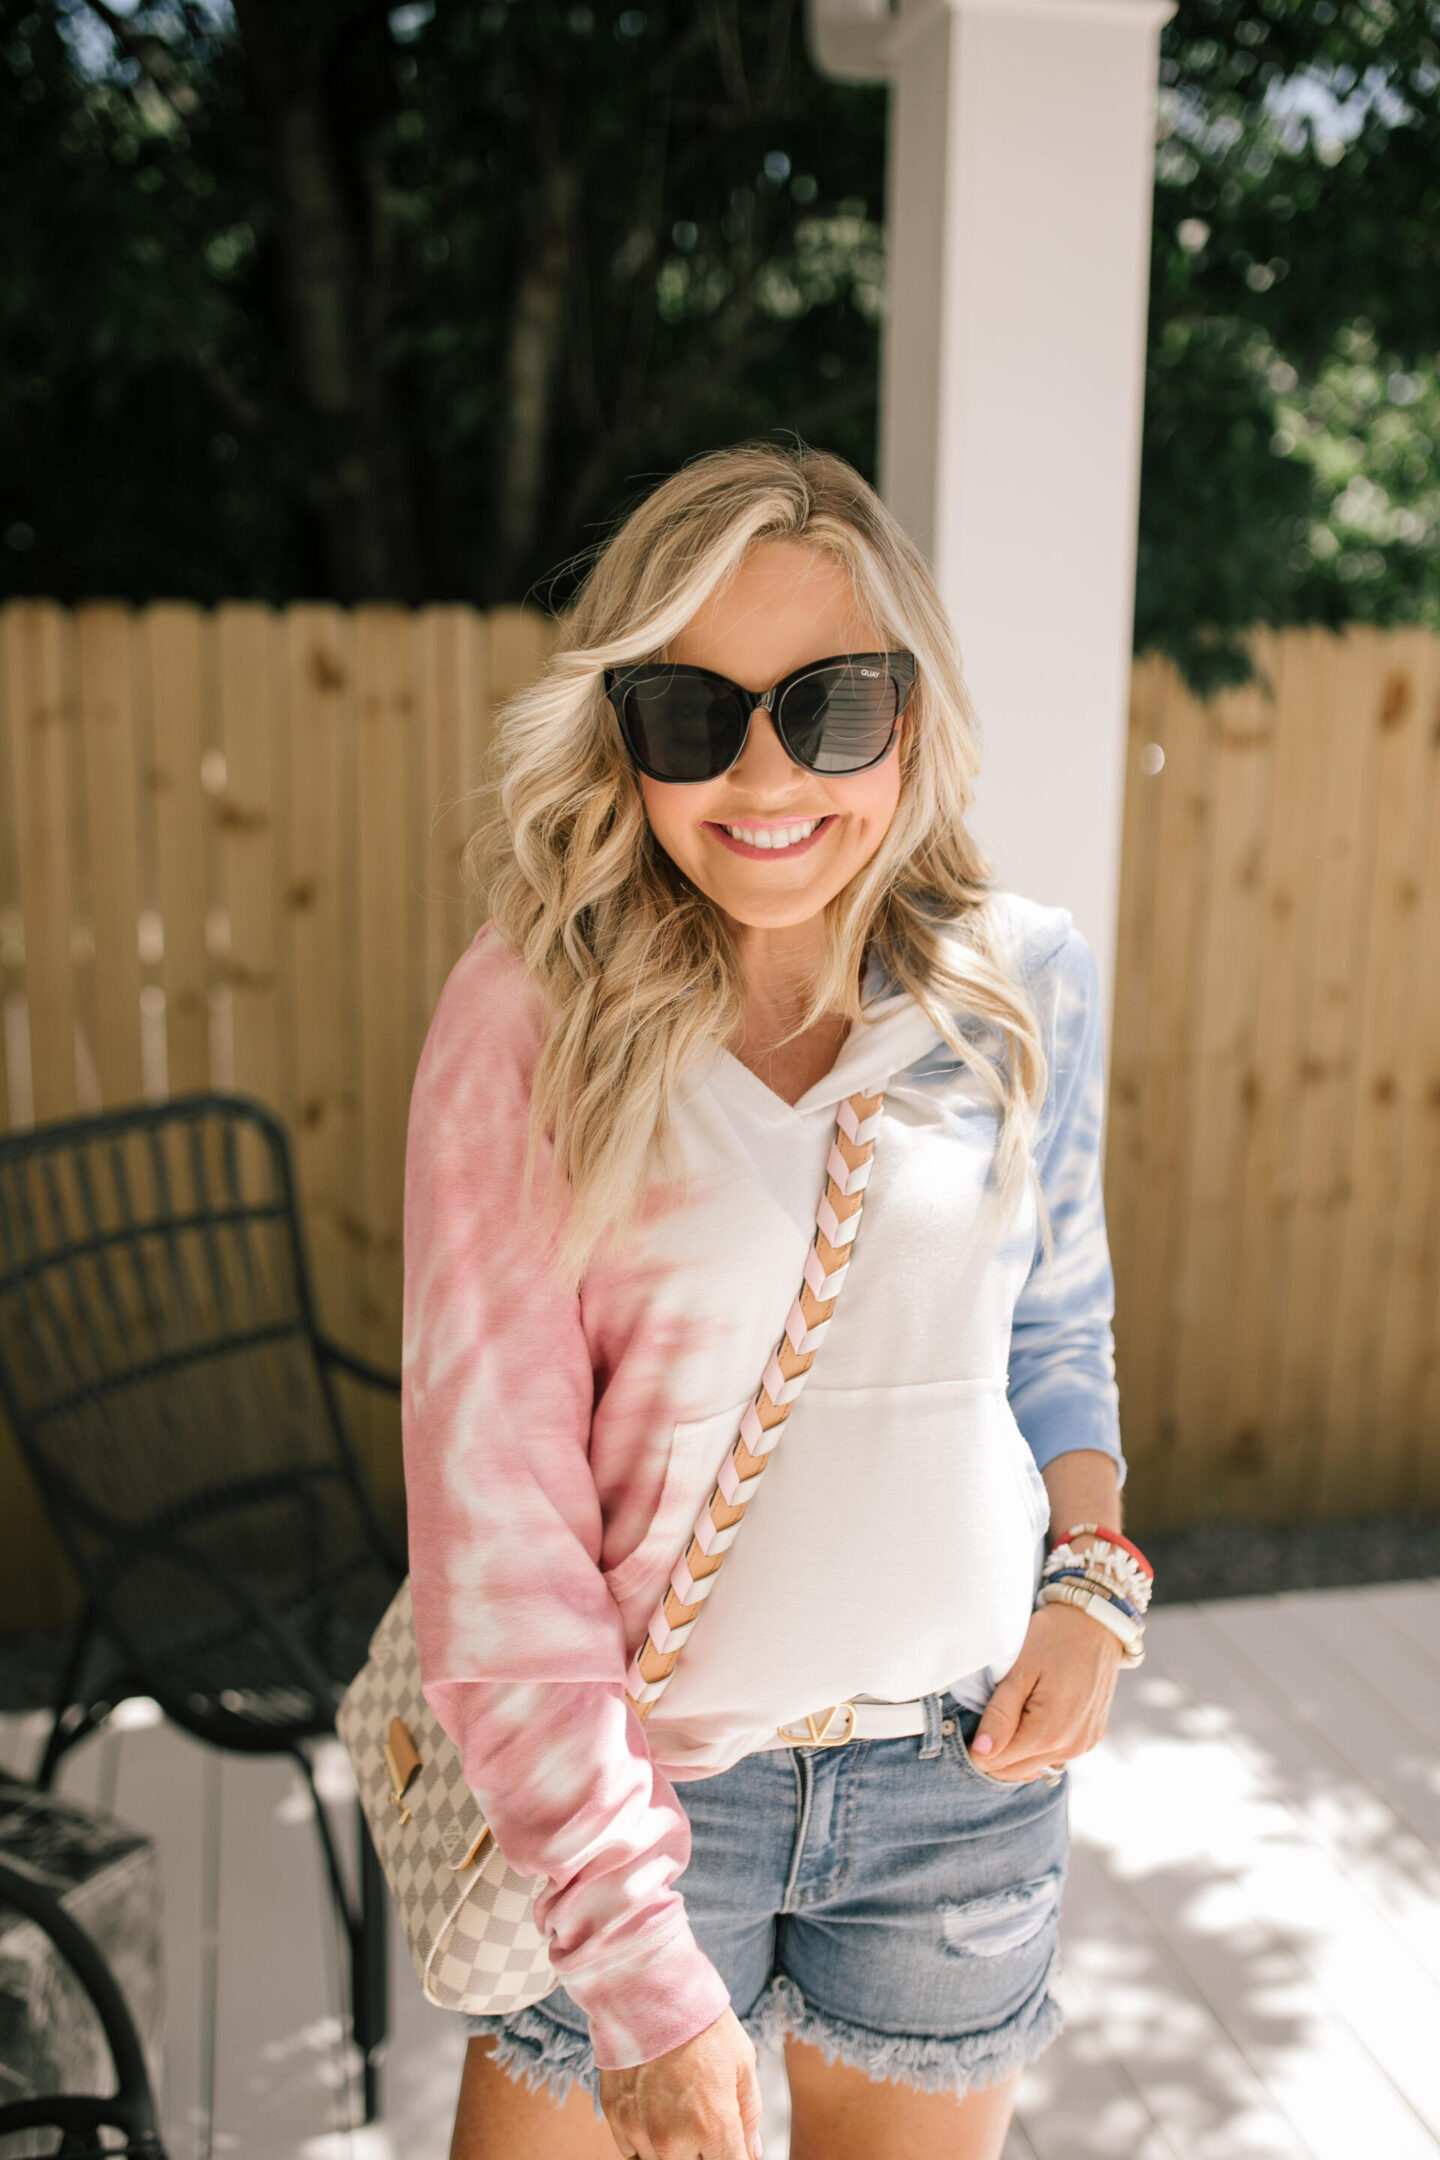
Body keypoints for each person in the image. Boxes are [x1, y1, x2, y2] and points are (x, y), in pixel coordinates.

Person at [401, 442, 1148, 2160]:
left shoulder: (1021, 981)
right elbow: (496, 1529)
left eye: (829, 705)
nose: (763, 773)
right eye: (691, 712)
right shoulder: (531, 1016)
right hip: (646, 1802)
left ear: (912, 712)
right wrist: (634, 1964)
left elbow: (1056, 1337)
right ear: (619, 732)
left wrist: (1091, 1592)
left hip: (962, 1791)